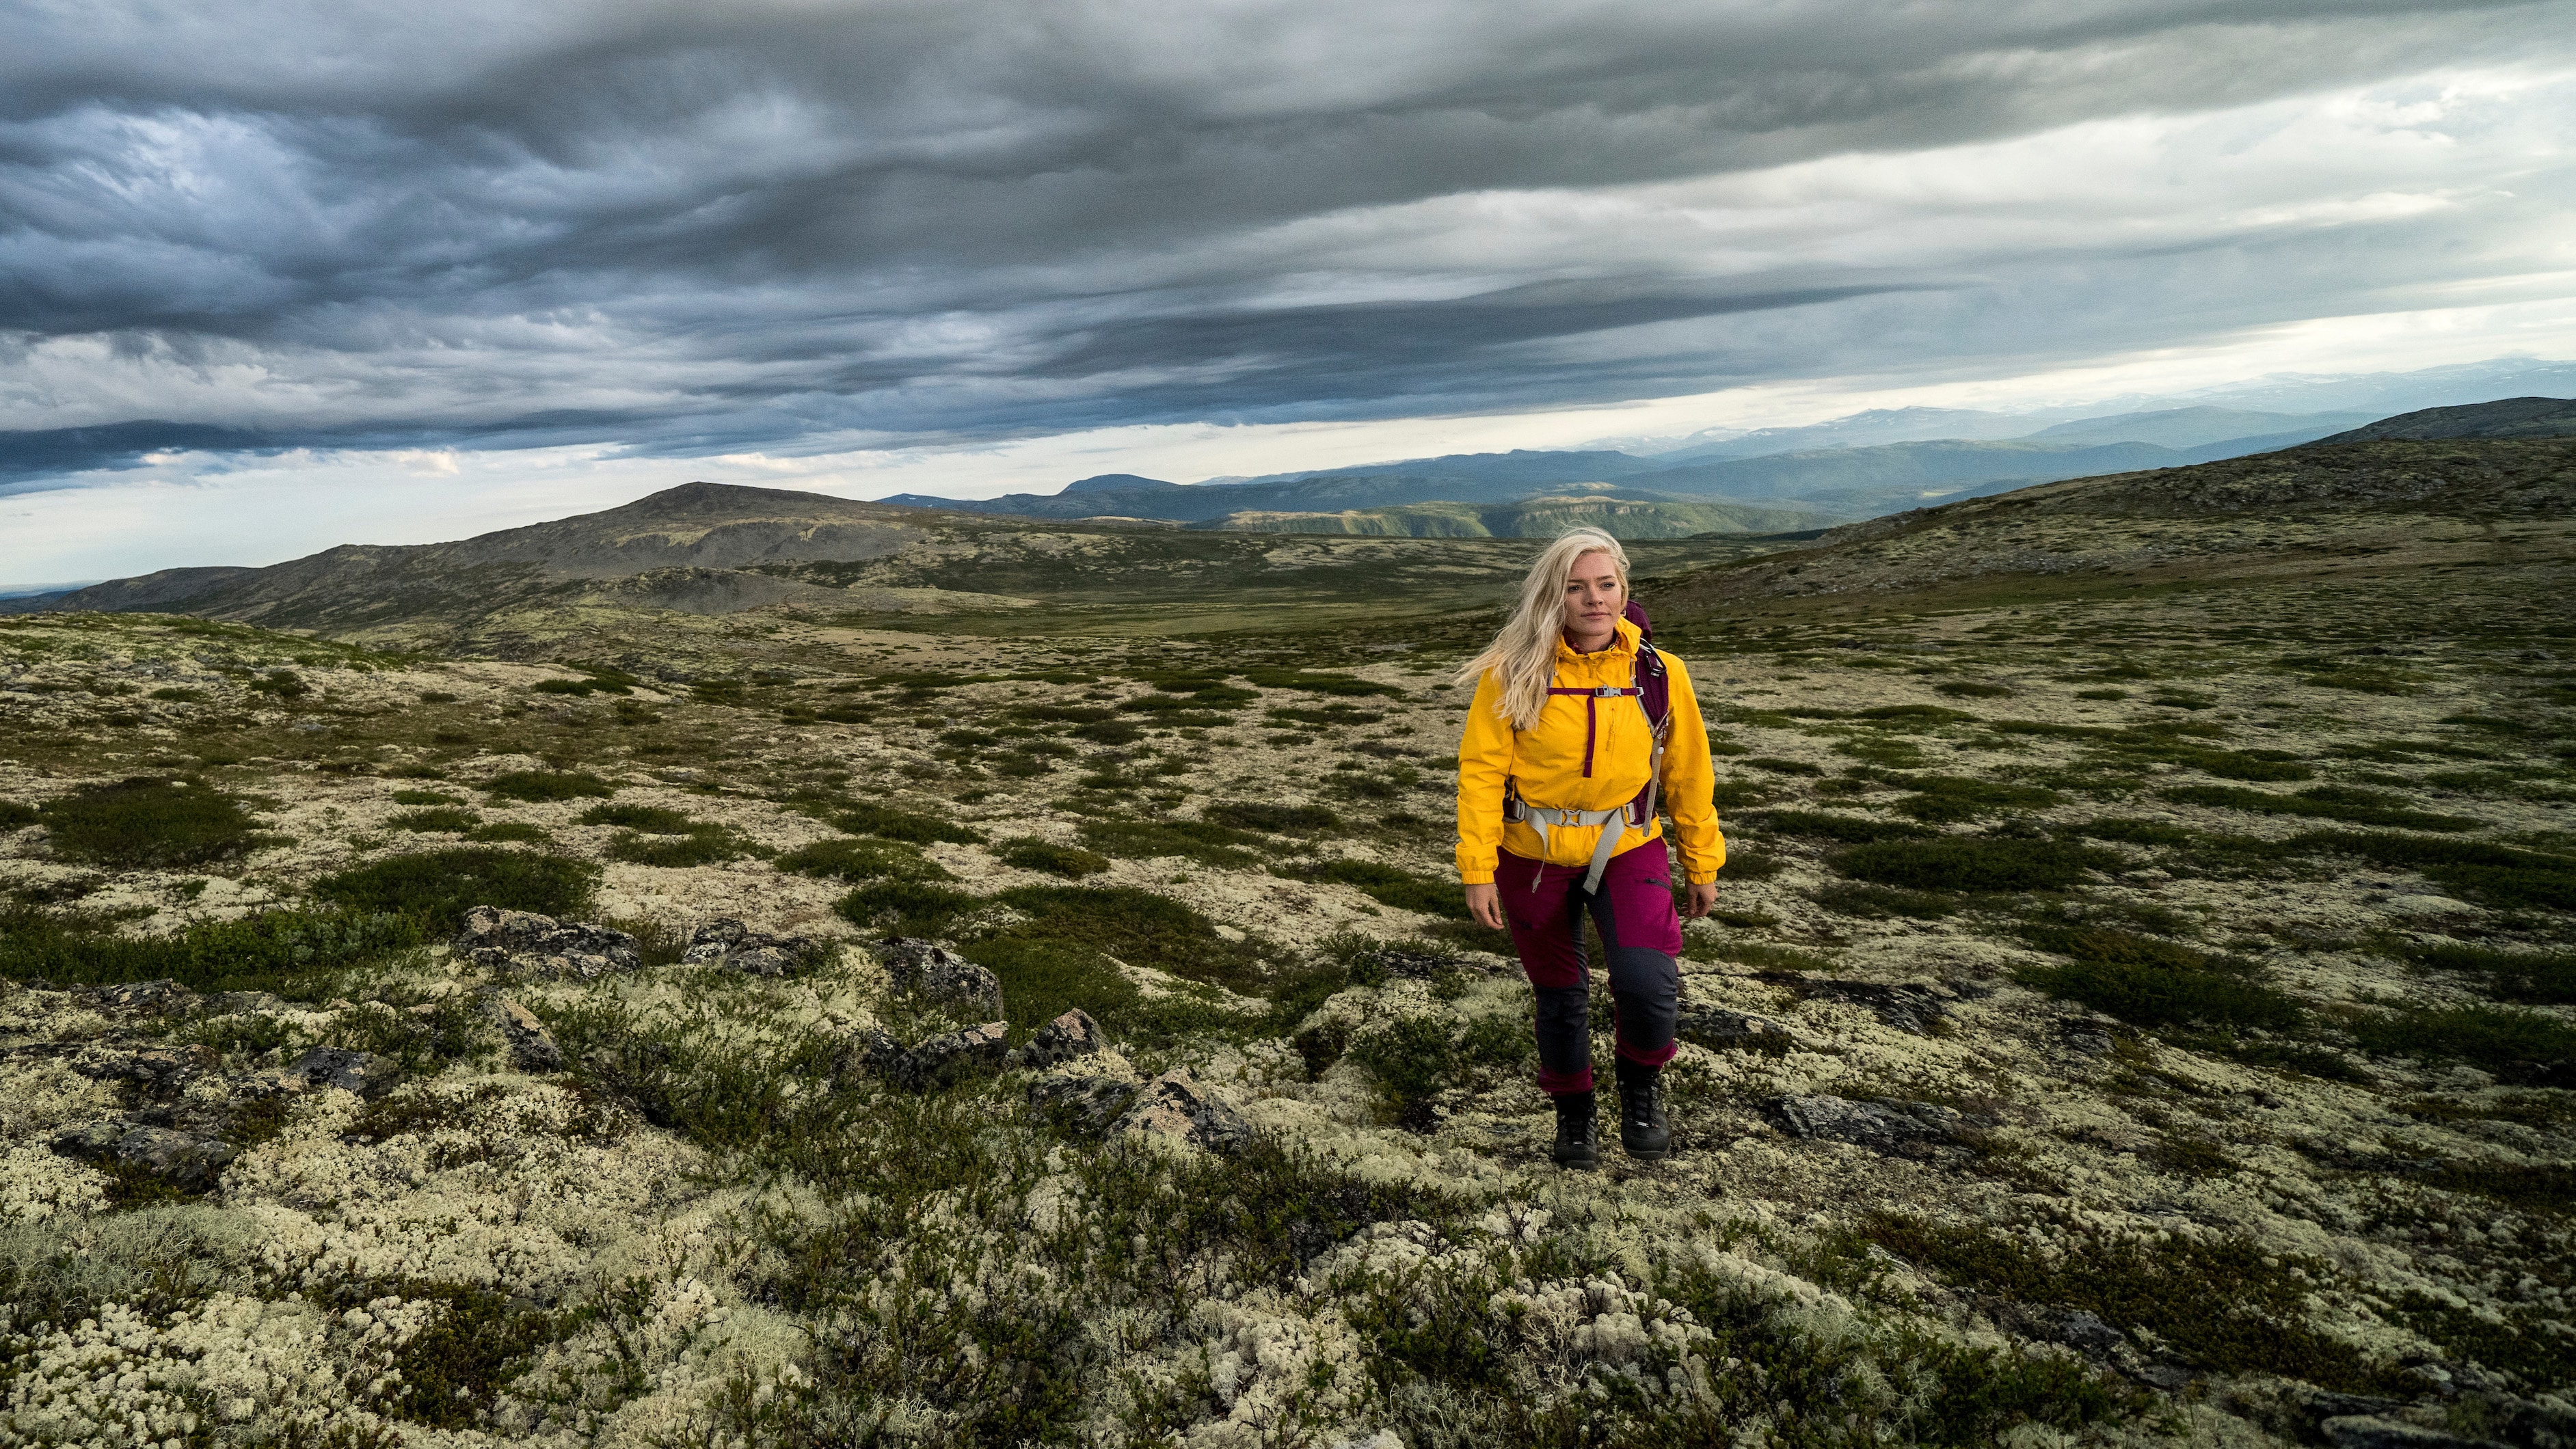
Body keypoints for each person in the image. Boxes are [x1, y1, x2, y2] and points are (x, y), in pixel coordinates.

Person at [1453, 528, 1723, 1169]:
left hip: (1629, 843)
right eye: (1576, 588)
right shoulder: (1511, 672)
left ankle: (1641, 1086)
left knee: (1647, 980)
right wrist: (1477, 867)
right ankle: (1574, 1114)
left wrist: (1701, 859)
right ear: (1555, 596)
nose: (1594, 600)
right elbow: (1482, 773)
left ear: (1624, 590)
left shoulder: (1660, 674)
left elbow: (1688, 770)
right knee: (1560, 991)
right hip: (1531, 851)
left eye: (1606, 585)